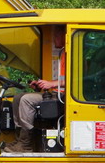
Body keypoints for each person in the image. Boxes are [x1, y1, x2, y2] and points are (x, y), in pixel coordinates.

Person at [6, 25, 66, 153]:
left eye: (56, 35)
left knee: (27, 100)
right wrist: (42, 85)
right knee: (18, 98)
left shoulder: (74, 54)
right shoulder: (63, 54)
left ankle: (26, 144)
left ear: (64, 35)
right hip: (57, 93)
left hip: (65, 97)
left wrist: (51, 84)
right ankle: (20, 139)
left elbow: (77, 81)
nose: (53, 39)